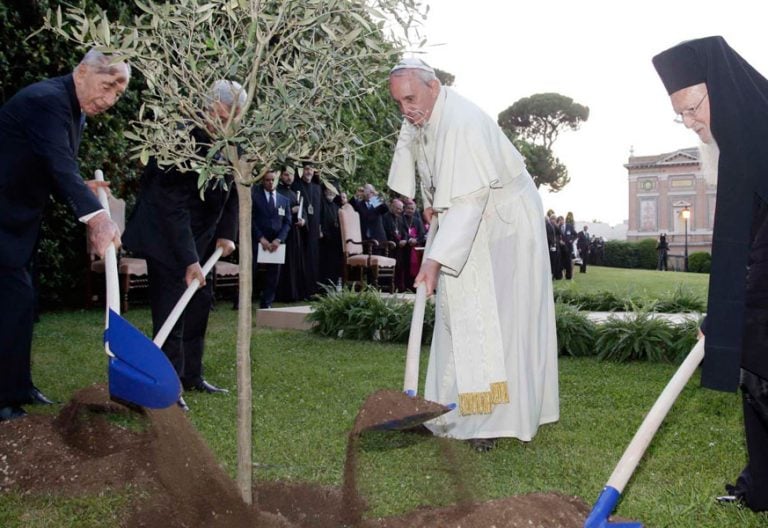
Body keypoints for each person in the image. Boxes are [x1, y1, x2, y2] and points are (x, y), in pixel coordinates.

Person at [388, 57, 559, 450]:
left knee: (497, 321)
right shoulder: (425, 114)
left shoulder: (461, 122)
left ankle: (492, 422)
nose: (406, 110)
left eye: (410, 98)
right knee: (458, 314)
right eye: (398, 103)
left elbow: (468, 201)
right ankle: (450, 410)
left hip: (505, 225)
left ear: (433, 87)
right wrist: (432, 201)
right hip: (471, 217)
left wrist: (433, 262)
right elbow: (434, 172)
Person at [653, 35, 768, 511]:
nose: (691, 121)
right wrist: (720, 312)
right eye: (680, 114)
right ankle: (761, 487)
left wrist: (736, 305)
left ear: (720, 88)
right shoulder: (738, 137)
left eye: (694, 108)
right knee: (755, 374)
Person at [0, 49, 127, 422]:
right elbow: (58, 164)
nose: (109, 100)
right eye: (106, 87)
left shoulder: (74, 109)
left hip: (20, 220)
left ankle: (18, 386)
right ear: (83, 72)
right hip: (4, 217)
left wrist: (83, 188)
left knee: (23, 305)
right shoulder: (47, 100)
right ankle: (3, 400)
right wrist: (97, 218)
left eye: (117, 95)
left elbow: (53, 167)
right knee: (11, 303)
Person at [123, 80, 243, 411]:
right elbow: (170, 206)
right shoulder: (179, 139)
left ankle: (192, 374)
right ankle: (169, 385)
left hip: (203, 236)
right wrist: (189, 259)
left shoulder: (231, 141)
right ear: (214, 107)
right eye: (229, 113)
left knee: (199, 303)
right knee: (171, 308)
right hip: (166, 236)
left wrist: (226, 232)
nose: (233, 121)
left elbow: (235, 189)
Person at [252, 170, 291, 308]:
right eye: (267, 180)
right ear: (263, 181)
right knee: (251, 271)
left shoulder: (284, 200)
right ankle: (242, 300)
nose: (270, 182)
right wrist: (260, 238)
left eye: (272, 180)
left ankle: (267, 302)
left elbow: (287, 222)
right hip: (258, 240)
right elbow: (251, 220)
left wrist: (279, 239)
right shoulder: (255, 197)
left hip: (276, 242)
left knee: (274, 275)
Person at [275, 166, 306, 302]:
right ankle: (281, 294)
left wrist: (302, 220)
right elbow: (275, 212)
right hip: (282, 233)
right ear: (281, 176)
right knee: (282, 265)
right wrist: (291, 211)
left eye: (292, 175)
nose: (289, 178)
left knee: (294, 263)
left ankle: (294, 293)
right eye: (286, 175)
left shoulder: (294, 194)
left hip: (294, 233)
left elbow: (301, 211)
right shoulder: (276, 192)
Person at [292, 162, 322, 297]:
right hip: (301, 228)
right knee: (301, 258)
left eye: (311, 169)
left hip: (315, 228)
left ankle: (312, 290)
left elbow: (320, 209)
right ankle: (300, 290)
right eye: (306, 169)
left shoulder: (317, 187)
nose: (309, 172)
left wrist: (320, 227)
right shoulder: (296, 186)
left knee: (313, 260)